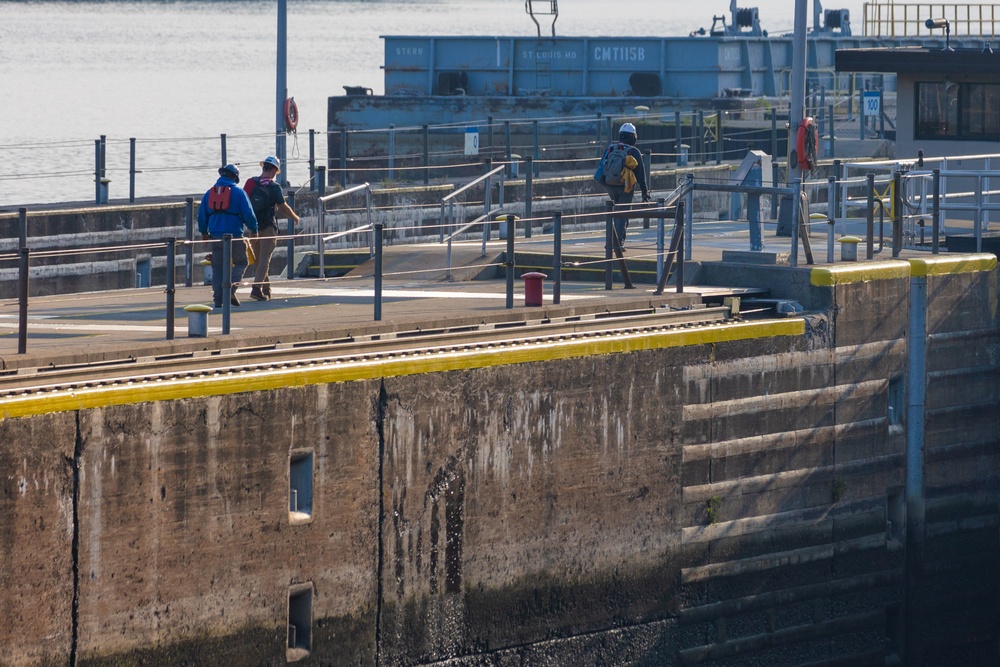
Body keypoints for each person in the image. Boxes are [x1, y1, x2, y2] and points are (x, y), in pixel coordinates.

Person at [197, 163, 258, 307]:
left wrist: (204, 233)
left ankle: (218, 299)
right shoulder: (239, 193)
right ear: (234, 177)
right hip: (234, 236)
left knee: (217, 267)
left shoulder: (209, 193)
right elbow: (249, 214)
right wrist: (253, 230)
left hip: (215, 237)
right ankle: (230, 289)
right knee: (242, 262)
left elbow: (201, 216)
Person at [244, 156, 300, 301]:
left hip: (253, 228)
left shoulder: (250, 183)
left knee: (258, 260)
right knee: (264, 259)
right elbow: (283, 208)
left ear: (263, 167)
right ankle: (256, 288)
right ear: (274, 170)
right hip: (269, 227)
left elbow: (242, 203)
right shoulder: (274, 187)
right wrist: (294, 218)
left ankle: (266, 289)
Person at [598, 122, 650, 250]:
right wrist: (645, 193)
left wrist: (607, 183)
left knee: (615, 213)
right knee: (622, 214)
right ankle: (618, 242)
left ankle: (613, 240)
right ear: (633, 137)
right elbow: (641, 175)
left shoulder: (611, 148)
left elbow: (602, 167)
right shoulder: (633, 151)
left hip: (610, 186)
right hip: (626, 187)